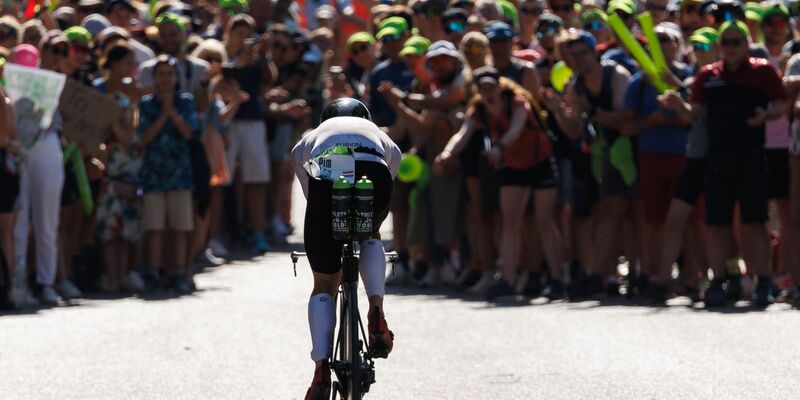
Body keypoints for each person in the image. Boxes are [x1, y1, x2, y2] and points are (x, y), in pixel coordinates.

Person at [661, 20, 788, 307]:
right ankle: (718, 281)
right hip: (716, 159)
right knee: (716, 223)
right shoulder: (707, 76)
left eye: (736, 42)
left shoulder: (762, 71)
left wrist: (765, 116)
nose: (730, 48)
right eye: (725, 43)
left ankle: (763, 280)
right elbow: (695, 114)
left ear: (746, 44)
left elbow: (780, 103)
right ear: (720, 47)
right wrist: (678, 106)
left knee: (755, 222)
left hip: (752, 157)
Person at [290, 98, 400, 400]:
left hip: (327, 166)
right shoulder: (377, 131)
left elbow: (311, 191)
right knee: (370, 233)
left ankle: (321, 367)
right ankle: (376, 310)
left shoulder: (313, 135)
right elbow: (391, 170)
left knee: (324, 281)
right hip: (373, 167)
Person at [437, 66, 566, 300]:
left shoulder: (516, 101)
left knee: (544, 220)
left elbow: (517, 128)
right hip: (514, 165)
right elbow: (463, 134)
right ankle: (508, 279)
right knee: (509, 223)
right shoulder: (478, 109)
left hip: (540, 161)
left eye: (491, 86)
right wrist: (447, 154)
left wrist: (500, 147)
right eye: (482, 87)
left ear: (500, 85)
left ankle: (558, 279)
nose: (488, 92)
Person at [137, 55, 201, 294]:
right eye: (161, 74)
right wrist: (163, 113)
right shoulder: (146, 104)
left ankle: (179, 271)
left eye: (169, 74)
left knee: (180, 227)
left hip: (180, 173)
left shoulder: (186, 101)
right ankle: (153, 271)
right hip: (154, 173)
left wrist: (172, 111)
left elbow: (189, 132)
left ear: (176, 78)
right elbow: (143, 136)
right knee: (155, 226)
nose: (165, 79)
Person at [92, 43, 144, 292]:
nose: (130, 68)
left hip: (130, 167)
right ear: (112, 63)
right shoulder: (98, 91)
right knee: (110, 226)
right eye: (127, 62)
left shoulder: (131, 95)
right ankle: (110, 276)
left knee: (126, 225)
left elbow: (135, 131)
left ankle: (123, 275)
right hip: (109, 165)